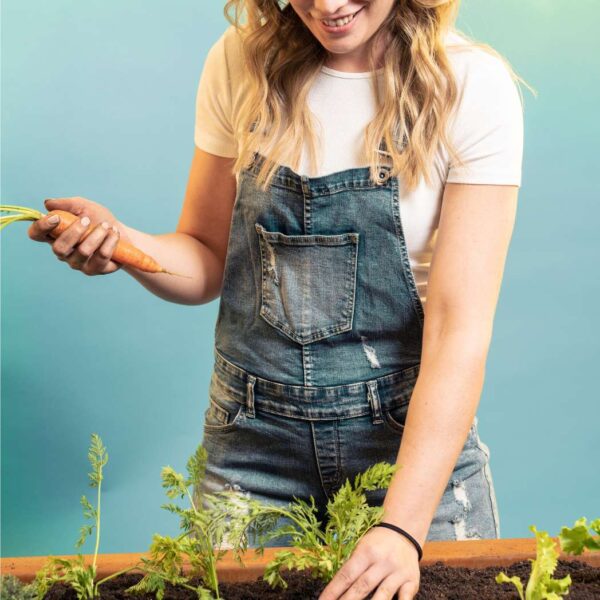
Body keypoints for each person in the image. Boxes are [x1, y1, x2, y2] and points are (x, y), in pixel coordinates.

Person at [29, 1, 526, 598]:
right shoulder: (239, 65)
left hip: (408, 457)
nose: (327, 5)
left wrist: (401, 526)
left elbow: (458, 329)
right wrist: (121, 242)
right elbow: (204, 256)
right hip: (251, 451)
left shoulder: (470, 85)